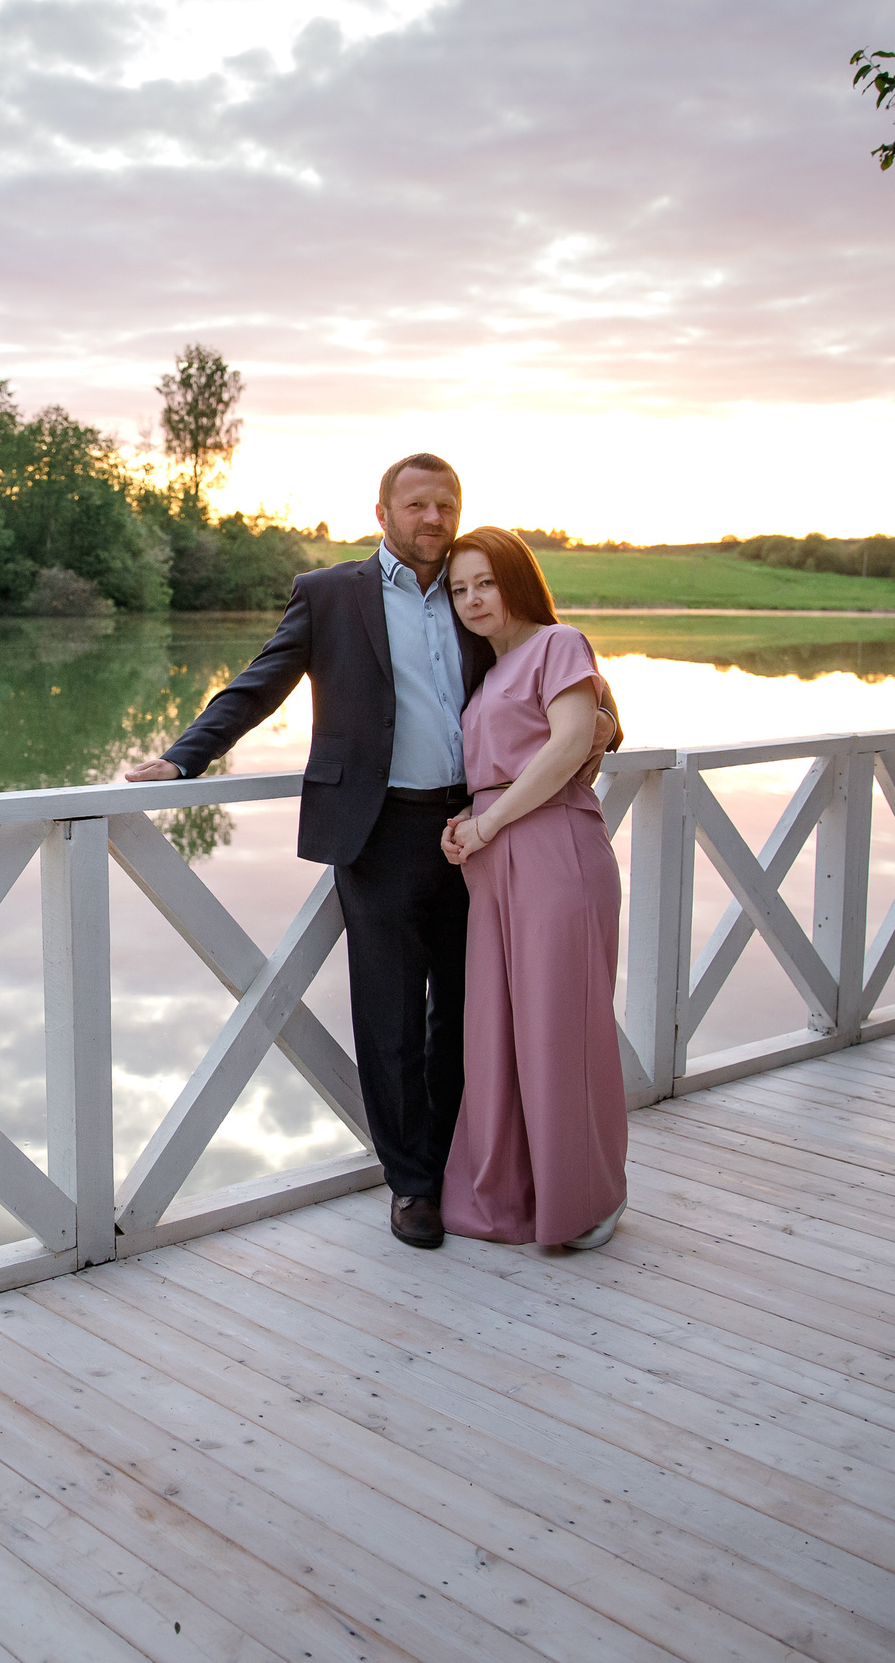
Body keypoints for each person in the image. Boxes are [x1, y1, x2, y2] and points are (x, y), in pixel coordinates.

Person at [124, 455, 613, 1249]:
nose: (433, 517)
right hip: (377, 830)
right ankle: (412, 1184)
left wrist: (603, 728)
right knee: (388, 1016)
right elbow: (262, 681)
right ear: (381, 509)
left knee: (469, 1012)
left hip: (478, 832)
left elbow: (548, 666)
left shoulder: (471, 591)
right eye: (416, 504)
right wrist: (186, 754)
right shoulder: (329, 593)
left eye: (445, 503)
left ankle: (463, 1164)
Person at [435, 526, 628, 1250]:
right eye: (458, 589)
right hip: (492, 858)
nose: (472, 599)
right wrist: (468, 820)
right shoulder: (486, 676)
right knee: (497, 1036)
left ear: (516, 578)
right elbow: (498, 770)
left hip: (555, 852)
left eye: (485, 581)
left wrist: (489, 826)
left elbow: (573, 740)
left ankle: (589, 1197)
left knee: (561, 1029)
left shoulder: (558, 643)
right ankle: (511, 1195)